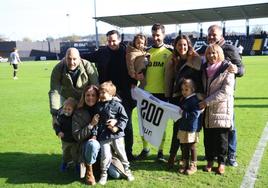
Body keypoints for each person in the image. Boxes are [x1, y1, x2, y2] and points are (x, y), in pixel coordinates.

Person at [87, 30, 137, 161]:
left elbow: (137, 64)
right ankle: (109, 154)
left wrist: (133, 82)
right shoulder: (102, 52)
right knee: (105, 124)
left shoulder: (127, 51)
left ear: (119, 40)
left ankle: (128, 153)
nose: (111, 43)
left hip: (125, 95)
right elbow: (88, 56)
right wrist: (71, 54)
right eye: (109, 41)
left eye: (114, 40)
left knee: (127, 124)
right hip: (105, 96)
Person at [207, 25, 245, 167]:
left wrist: (236, 69)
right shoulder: (207, 50)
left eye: (214, 34)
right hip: (210, 95)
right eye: (209, 34)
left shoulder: (229, 49)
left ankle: (231, 154)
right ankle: (215, 154)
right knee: (213, 127)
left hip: (225, 97)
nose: (211, 37)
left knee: (229, 126)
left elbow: (242, 69)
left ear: (221, 36)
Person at [136, 23, 173, 162]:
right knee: (144, 124)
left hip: (162, 95)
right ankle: (145, 149)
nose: (155, 37)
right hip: (146, 94)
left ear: (163, 35)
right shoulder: (145, 53)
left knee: (160, 125)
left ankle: (160, 152)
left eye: (158, 35)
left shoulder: (169, 53)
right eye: (153, 35)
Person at [72, 85, 123, 185]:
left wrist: (115, 121)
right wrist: (91, 125)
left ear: (98, 96)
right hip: (87, 148)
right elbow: (77, 136)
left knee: (116, 174)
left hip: (106, 148)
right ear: (84, 96)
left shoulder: (106, 108)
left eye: (93, 95)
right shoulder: (78, 112)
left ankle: (100, 166)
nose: (90, 98)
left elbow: (121, 117)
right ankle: (89, 170)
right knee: (93, 144)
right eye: (88, 95)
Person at [165, 35, 203, 168]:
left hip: (191, 100)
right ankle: (174, 155)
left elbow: (200, 79)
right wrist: (168, 96)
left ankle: (186, 159)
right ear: (175, 46)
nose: (182, 47)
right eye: (179, 45)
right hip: (177, 99)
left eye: (185, 45)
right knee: (177, 129)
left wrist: (199, 97)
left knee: (189, 128)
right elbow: (169, 80)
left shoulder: (195, 59)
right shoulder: (173, 59)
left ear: (189, 45)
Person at [199, 44, 235, 175]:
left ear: (219, 53)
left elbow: (226, 91)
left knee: (221, 139)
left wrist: (206, 102)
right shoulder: (204, 69)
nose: (211, 55)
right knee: (208, 138)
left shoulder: (227, 69)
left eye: (214, 53)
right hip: (207, 111)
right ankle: (209, 161)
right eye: (208, 53)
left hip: (221, 109)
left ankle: (221, 163)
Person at [48, 47, 99, 129]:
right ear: (65, 58)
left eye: (74, 59)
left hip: (85, 99)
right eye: (69, 59)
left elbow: (95, 88)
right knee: (65, 127)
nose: (72, 62)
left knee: (84, 126)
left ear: (79, 58)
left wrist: (86, 104)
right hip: (67, 99)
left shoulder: (88, 66)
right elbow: (54, 91)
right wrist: (54, 115)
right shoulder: (58, 68)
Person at [96, 81, 134, 185]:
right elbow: (97, 122)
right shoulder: (98, 106)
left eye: (104, 93)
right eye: (100, 93)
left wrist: (117, 126)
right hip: (103, 136)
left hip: (117, 135)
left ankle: (127, 171)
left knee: (122, 153)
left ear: (112, 94)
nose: (102, 95)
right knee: (105, 156)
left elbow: (124, 118)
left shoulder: (118, 105)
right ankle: (103, 174)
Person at [177, 79, 201, 175]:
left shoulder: (194, 100)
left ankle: (193, 165)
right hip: (183, 127)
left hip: (191, 128)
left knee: (192, 146)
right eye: (182, 89)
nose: (184, 92)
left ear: (193, 89)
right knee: (184, 147)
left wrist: (184, 113)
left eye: (186, 89)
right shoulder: (183, 99)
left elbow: (195, 114)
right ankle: (185, 164)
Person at [53, 97, 79, 172]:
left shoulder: (75, 118)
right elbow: (56, 125)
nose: (66, 111)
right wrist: (58, 132)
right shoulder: (61, 117)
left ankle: (77, 164)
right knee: (66, 153)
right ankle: (65, 163)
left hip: (74, 140)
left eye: (69, 109)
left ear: (73, 110)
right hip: (65, 140)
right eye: (65, 109)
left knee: (75, 153)